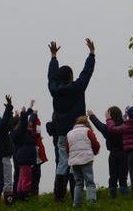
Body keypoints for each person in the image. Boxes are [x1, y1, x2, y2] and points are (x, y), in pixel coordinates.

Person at [47, 39, 96, 202]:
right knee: (78, 161)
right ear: (70, 76)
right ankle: (80, 195)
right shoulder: (77, 87)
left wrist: (53, 57)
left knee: (62, 164)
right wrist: (91, 54)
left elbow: (51, 77)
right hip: (78, 131)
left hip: (62, 133)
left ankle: (59, 196)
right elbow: (86, 73)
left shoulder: (54, 90)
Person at [88, 107, 128, 198]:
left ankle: (113, 196)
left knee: (113, 176)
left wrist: (92, 116)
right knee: (123, 176)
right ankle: (125, 196)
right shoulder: (125, 126)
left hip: (113, 154)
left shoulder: (108, 129)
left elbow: (99, 125)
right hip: (124, 153)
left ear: (110, 115)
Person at [67, 116, 100, 207]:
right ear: (86, 123)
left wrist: (72, 156)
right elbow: (95, 143)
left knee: (78, 183)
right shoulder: (87, 131)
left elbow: (67, 148)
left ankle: (76, 204)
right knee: (89, 182)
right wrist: (95, 152)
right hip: (86, 159)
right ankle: (91, 203)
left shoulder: (69, 133)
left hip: (74, 161)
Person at [11, 100, 38, 201]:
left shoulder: (16, 133)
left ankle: (20, 195)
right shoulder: (21, 132)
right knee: (26, 177)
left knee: (22, 177)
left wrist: (31, 110)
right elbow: (25, 122)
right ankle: (24, 196)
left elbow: (29, 122)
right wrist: (23, 114)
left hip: (22, 157)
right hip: (25, 157)